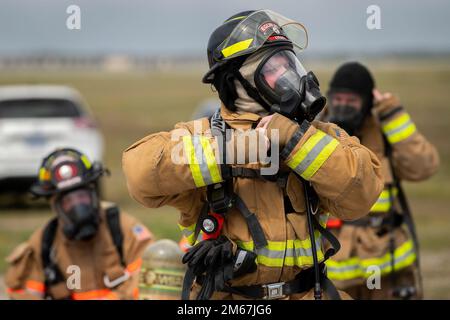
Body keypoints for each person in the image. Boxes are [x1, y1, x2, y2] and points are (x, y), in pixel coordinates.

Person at [122, 10, 383, 300]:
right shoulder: (201, 137)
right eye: (275, 68)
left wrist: (297, 141)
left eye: (290, 64)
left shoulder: (315, 134)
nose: (291, 77)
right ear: (237, 80)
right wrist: (232, 150)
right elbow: (139, 174)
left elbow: (363, 193)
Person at [323, 62, 440, 299]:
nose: (343, 106)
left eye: (352, 101)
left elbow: (423, 167)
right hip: (334, 272)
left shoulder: (385, 131)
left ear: (366, 102)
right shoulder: (317, 131)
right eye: (338, 98)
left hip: (388, 271)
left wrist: (393, 114)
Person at [5, 148, 153, 300]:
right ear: (55, 206)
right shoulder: (43, 243)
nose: (78, 208)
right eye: (68, 202)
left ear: (93, 194)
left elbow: (151, 278)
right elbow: (21, 292)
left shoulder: (122, 227)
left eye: (82, 197)